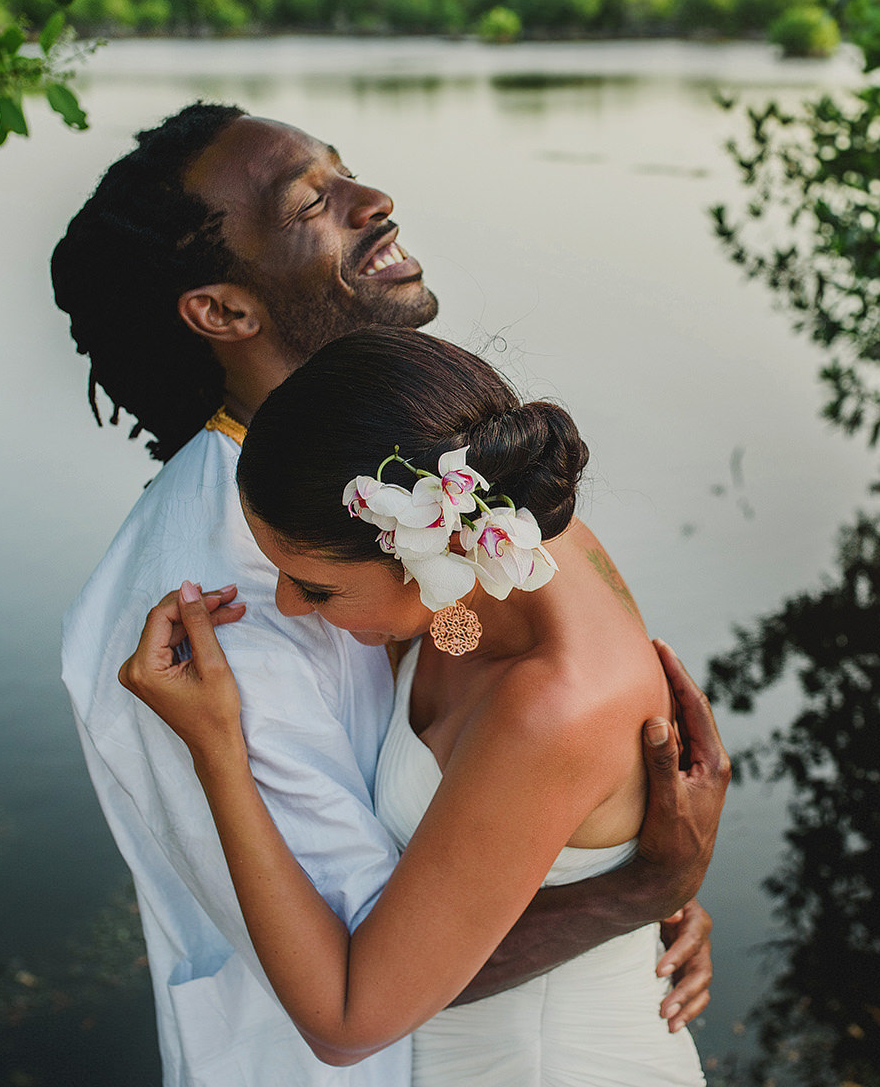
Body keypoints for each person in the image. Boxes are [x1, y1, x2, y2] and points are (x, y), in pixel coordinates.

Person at [52, 103, 727, 1086]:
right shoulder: (210, 603)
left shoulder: (441, 488)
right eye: (312, 203)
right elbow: (366, 970)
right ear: (225, 311)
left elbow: (543, 783)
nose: (377, 202)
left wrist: (617, 868)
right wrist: (631, 885)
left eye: (346, 172)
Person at [121, 327, 718, 1082]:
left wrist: (217, 750)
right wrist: (640, 889)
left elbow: (345, 1023)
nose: (288, 606)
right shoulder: (505, 543)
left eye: (315, 587)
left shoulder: (549, 709)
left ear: (418, 549)